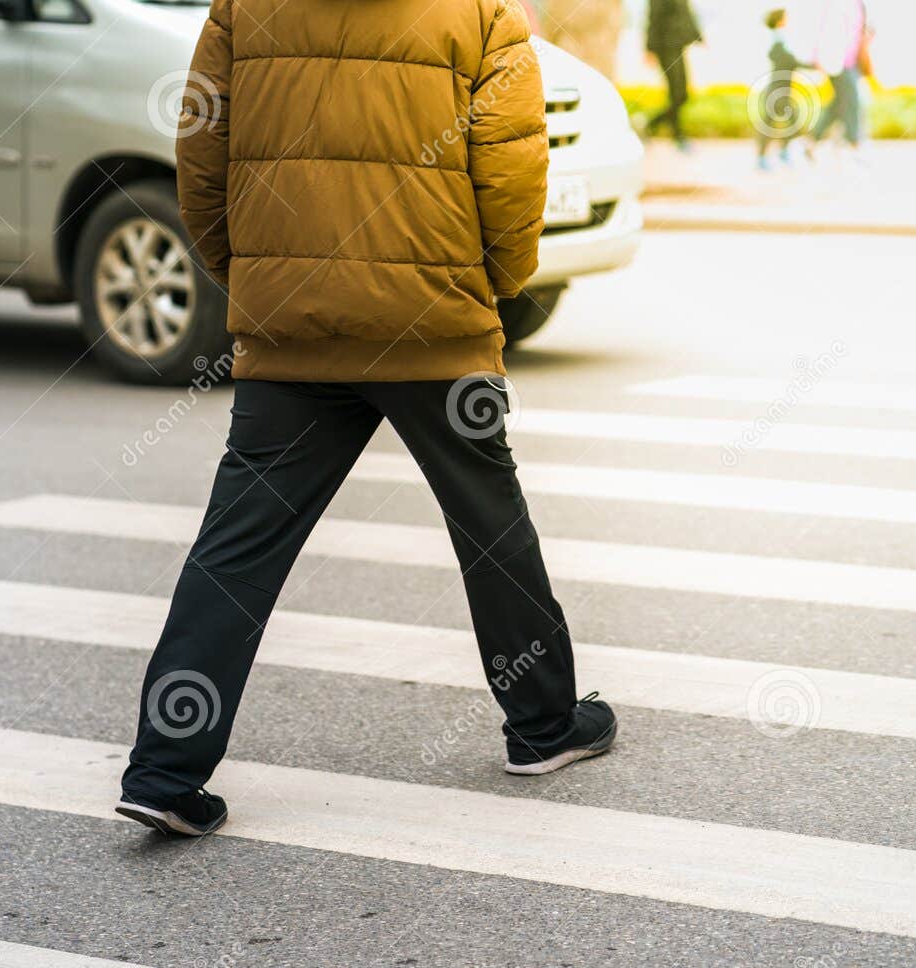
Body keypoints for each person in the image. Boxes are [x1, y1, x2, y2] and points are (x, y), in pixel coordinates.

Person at [114, 0, 617, 838]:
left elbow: (201, 151)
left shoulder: (243, 8)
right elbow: (512, 167)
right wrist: (487, 282)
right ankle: (543, 726)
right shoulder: (482, 12)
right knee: (490, 521)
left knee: (236, 548)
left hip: (291, 330)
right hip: (437, 330)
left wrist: (250, 273)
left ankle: (166, 771)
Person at [756, 8, 817, 170]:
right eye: (785, 17)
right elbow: (787, 60)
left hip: (780, 88)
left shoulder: (779, 38)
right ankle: (770, 157)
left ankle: (777, 154)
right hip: (778, 89)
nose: (788, 20)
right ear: (779, 20)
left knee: (785, 122)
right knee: (784, 123)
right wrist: (812, 65)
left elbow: (788, 60)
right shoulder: (776, 38)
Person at [810, 0, 872, 153]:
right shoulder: (836, 4)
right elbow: (825, 29)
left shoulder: (858, 5)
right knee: (852, 99)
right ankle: (854, 142)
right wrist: (818, 56)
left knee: (838, 103)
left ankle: (812, 140)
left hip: (851, 61)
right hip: (838, 61)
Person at [644, 0, 703, 149]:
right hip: (665, 47)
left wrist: (698, 37)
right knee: (677, 94)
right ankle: (675, 134)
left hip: (677, 46)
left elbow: (686, 14)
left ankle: (652, 125)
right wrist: (649, 48)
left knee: (682, 95)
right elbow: (653, 19)